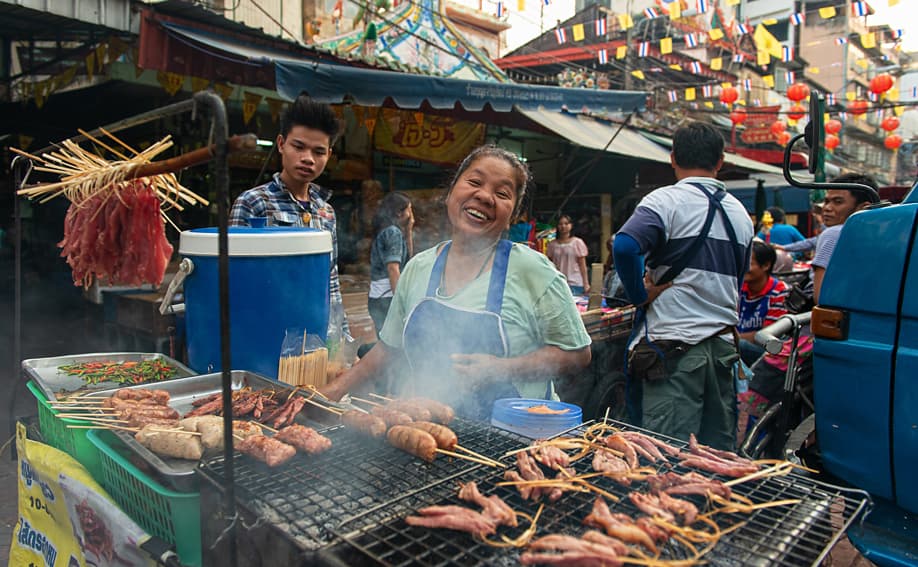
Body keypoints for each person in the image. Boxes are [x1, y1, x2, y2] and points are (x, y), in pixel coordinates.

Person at [323, 145, 592, 419]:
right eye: (474, 182)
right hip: (435, 432)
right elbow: (388, 349)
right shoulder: (418, 268)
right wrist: (328, 395)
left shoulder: (532, 270)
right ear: (451, 191)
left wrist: (501, 368)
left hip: (520, 441)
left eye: (502, 193)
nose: (485, 196)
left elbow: (578, 354)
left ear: (512, 215)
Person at [613, 121, 754, 450]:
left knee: (668, 456)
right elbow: (739, 276)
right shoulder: (741, 214)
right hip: (722, 350)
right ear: (720, 161)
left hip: (674, 349)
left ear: (672, 157)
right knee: (716, 457)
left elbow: (624, 246)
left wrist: (639, 294)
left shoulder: (664, 201)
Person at [229, 94, 348, 336]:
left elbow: (331, 280)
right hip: (264, 329)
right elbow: (234, 281)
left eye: (318, 152)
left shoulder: (325, 212)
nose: (308, 159)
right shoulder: (253, 202)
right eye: (299, 147)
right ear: (281, 144)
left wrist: (341, 335)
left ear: (329, 154)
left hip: (314, 332)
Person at [811, 173, 878, 304]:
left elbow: (820, 296)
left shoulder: (834, 234)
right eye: (826, 201)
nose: (827, 208)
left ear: (863, 207)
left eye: (838, 202)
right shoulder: (877, 234)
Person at [368, 192, 414, 334]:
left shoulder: (389, 230)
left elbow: (408, 260)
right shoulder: (392, 232)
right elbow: (393, 269)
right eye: (409, 209)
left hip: (380, 298)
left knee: (387, 344)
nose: (411, 214)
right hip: (387, 299)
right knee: (392, 347)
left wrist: (408, 230)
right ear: (399, 213)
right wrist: (399, 302)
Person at [737, 241, 788, 366]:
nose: (743, 267)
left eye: (749, 263)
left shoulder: (779, 292)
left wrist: (733, 337)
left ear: (765, 265)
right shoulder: (739, 287)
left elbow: (766, 334)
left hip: (764, 351)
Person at [547, 214, 591, 295]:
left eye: (566, 223)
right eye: (560, 224)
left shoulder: (577, 242)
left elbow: (582, 266)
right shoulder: (551, 245)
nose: (563, 226)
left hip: (575, 283)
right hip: (558, 283)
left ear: (571, 225)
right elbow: (549, 265)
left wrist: (586, 284)